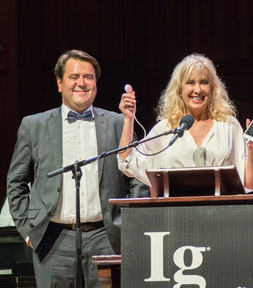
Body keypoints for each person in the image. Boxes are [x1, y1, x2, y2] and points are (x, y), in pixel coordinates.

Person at [6, 49, 148, 288]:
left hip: (107, 237)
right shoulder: (34, 126)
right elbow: (16, 183)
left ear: (96, 83)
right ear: (60, 83)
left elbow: (138, 178)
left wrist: (130, 226)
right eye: (74, 77)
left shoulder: (117, 123)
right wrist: (28, 230)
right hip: (52, 240)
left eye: (88, 77)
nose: (81, 83)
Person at [118, 53, 253, 191]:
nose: (197, 89)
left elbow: (250, 183)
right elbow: (127, 162)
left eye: (204, 82)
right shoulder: (166, 128)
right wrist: (128, 119)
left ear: (212, 88)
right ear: (179, 90)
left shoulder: (228, 125)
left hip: (222, 215)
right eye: (190, 82)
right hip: (178, 215)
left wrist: (251, 148)